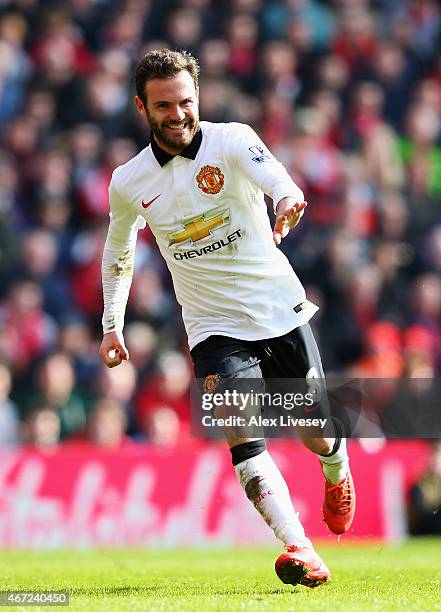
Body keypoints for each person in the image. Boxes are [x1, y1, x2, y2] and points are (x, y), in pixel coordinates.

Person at [99, 49, 355, 588]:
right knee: (242, 430)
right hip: (212, 329)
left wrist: (288, 198)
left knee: (315, 431)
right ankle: (300, 547)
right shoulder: (129, 181)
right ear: (141, 107)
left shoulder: (232, 139)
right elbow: (118, 253)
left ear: (198, 98)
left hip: (276, 309)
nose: (176, 114)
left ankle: (336, 468)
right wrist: (111, 324)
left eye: (185, 102)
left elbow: (278, 178)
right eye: (163, 105)